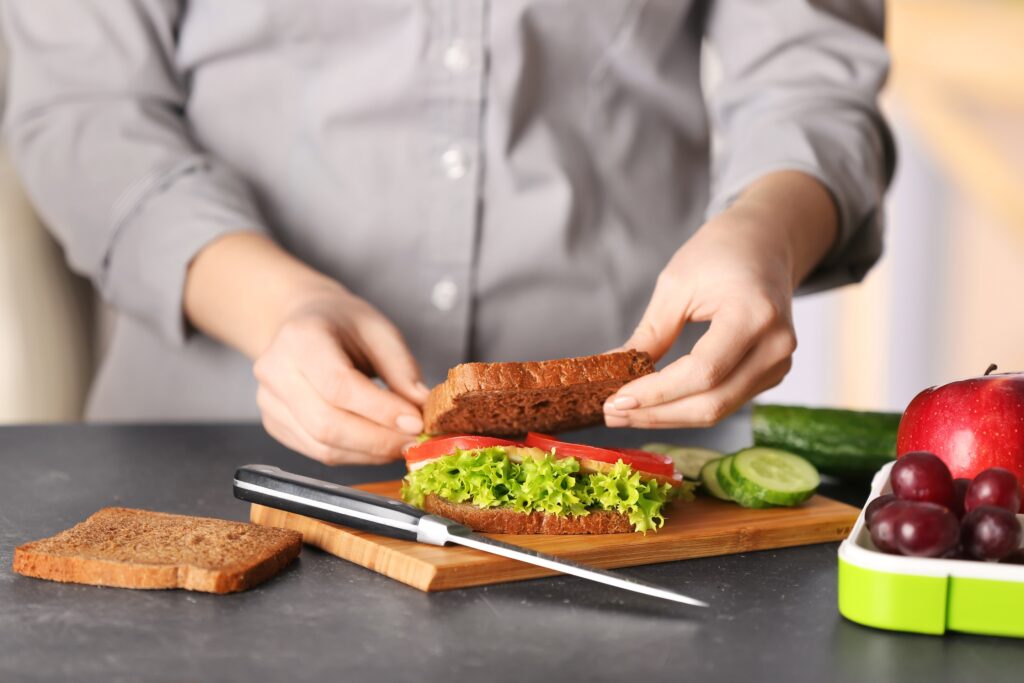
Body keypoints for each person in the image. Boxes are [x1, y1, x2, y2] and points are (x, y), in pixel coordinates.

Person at [2, 1, 893, 465]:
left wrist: (766, 228)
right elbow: (87, 111)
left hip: (630, 452)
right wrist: (282, 305)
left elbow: (810, 72)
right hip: (211, 442)